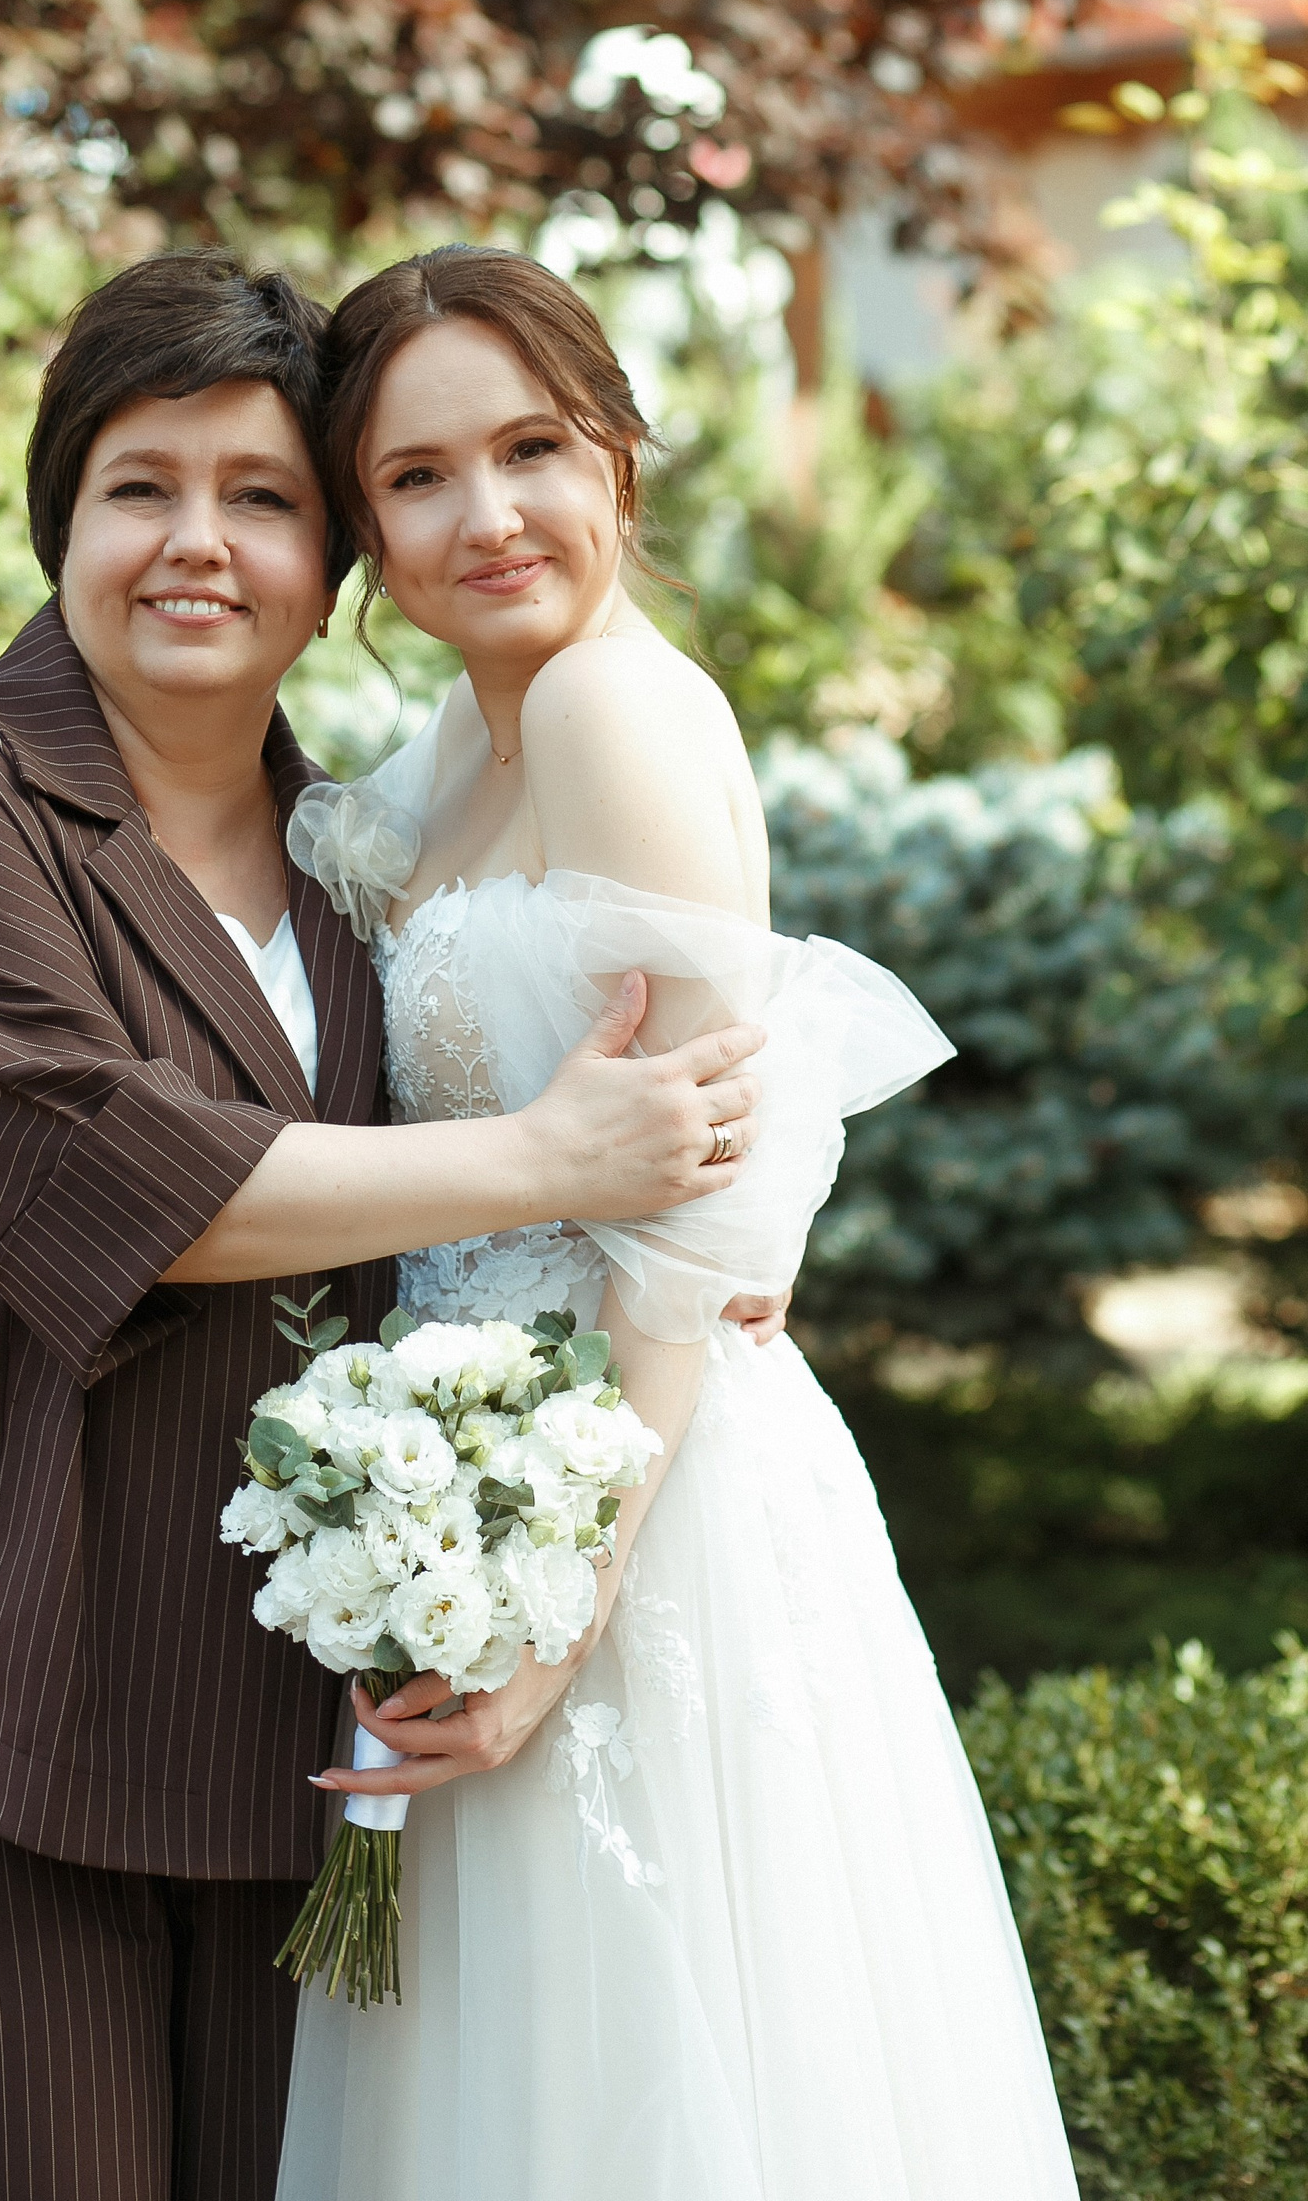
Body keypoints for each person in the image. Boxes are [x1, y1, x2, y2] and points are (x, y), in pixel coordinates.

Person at [0, 250, 774, 2201]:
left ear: (329, 560)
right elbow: (116, 1180)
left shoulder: (356, 866)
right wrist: (561, 1159)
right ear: (61, 525)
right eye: (139, 487)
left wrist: (708, 1262)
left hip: (280, 1754)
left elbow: (650, 1118)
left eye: (263, 496)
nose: (197, 543)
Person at [275, 246, 1079, 2201]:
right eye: (417, 477)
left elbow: (701, 1211)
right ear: (364, 533)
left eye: (532, 449)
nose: (489, 516)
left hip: (640, 1493)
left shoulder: (609, 710)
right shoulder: (468, 739)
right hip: (484, 1487)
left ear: (617, 455)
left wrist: (560, 1615)